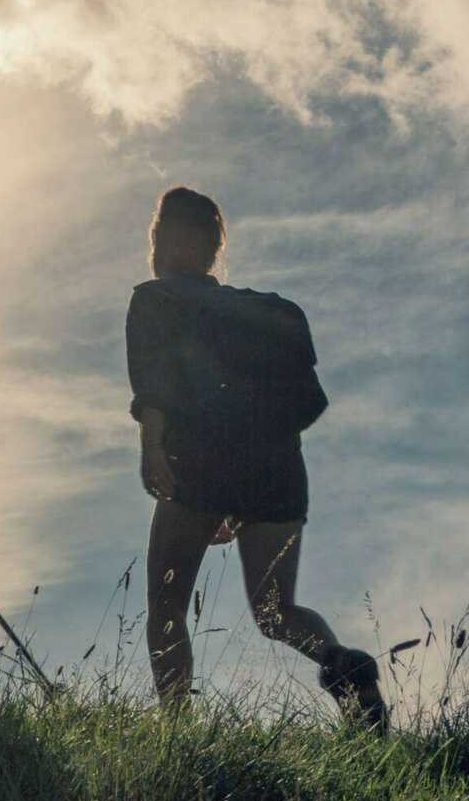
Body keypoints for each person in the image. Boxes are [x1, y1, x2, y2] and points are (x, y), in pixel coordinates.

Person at [126, 186, 386, 728]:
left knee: (168, 604)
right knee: (276, 611)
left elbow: (156, 387)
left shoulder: (155, 299)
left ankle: (176, 733)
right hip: (279, 470)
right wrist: (242, 491)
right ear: (213, 250)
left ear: (165, 239)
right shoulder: (258, 312)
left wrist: (154, 451)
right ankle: (343, 664)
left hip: (200, 460)